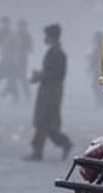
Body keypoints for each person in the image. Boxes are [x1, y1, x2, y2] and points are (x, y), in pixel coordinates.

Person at [24, 24, 72, 161]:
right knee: (46, 124)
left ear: (52, 37)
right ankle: (64, 144)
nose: (45, 38)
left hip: (52, 93)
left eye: (47, 36)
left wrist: (40, 75)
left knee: (44, 122)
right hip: (47, 91)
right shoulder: (53, 52)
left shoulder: (59, 54)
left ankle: (39, 151)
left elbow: (58, 74)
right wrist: (40, 75)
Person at [11, 19, 34, 101]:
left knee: (22, 78)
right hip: (14, 60)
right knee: (12, 78)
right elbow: (10, 46)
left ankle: (27, 95)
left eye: (22, 26)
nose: (21, 27)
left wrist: (23, 50)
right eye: (20, 26)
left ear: (25, 27)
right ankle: (15, 96)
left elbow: (31, 48)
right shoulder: (15, 35)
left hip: (22, 60)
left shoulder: (27, 36)